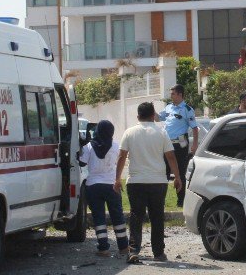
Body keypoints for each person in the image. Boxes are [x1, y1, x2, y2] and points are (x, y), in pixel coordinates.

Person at [115, 102, 182, 263]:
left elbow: (122, 156)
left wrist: (117, 178)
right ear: (153, 115)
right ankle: (158, 252)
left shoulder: (129, 132)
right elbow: (170, 156)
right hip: (158, 181)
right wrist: (178, 177)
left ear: (138, 116)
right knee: (157, 217)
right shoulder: (162, 132)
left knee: (136, 216)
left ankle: (134, 251)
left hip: (136, 181)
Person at [78, 120, 128, 257]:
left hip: (93, 185)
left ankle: (103, 248)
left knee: (98, 217)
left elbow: (82, 162)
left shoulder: (89, 146)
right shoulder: (116, 146)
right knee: (117, 215)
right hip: (112, 185)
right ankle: (124, 247)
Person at [159, 84, 198, 207]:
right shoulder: (169, 108)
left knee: (180, 172)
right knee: (163, 172)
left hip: (180, 144)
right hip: (167, 143)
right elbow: (158, 118)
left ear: (180, 94)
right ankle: (160, 200)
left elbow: (195, 128)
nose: (171, 96)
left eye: (173, 93)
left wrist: (195, 145)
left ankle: (181, 201)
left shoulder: (187, 109)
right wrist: (150, 110)